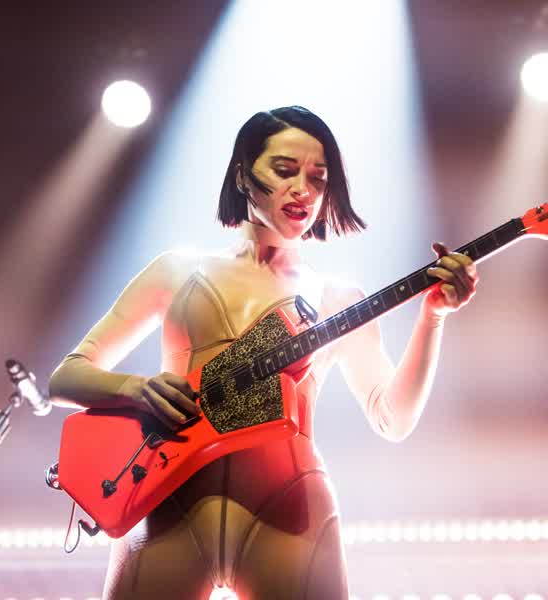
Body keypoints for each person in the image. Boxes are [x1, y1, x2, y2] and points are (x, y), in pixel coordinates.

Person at [49, 105, 478, 600]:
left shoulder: (337, 297)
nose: (304, 190)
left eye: (318, 179)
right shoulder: (176, 271)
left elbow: (392, 419)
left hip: (291, 512)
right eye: (284, 170)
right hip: (167, 502)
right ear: (242, 174)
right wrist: (136, 389)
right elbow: (66, 377)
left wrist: (432, 318)